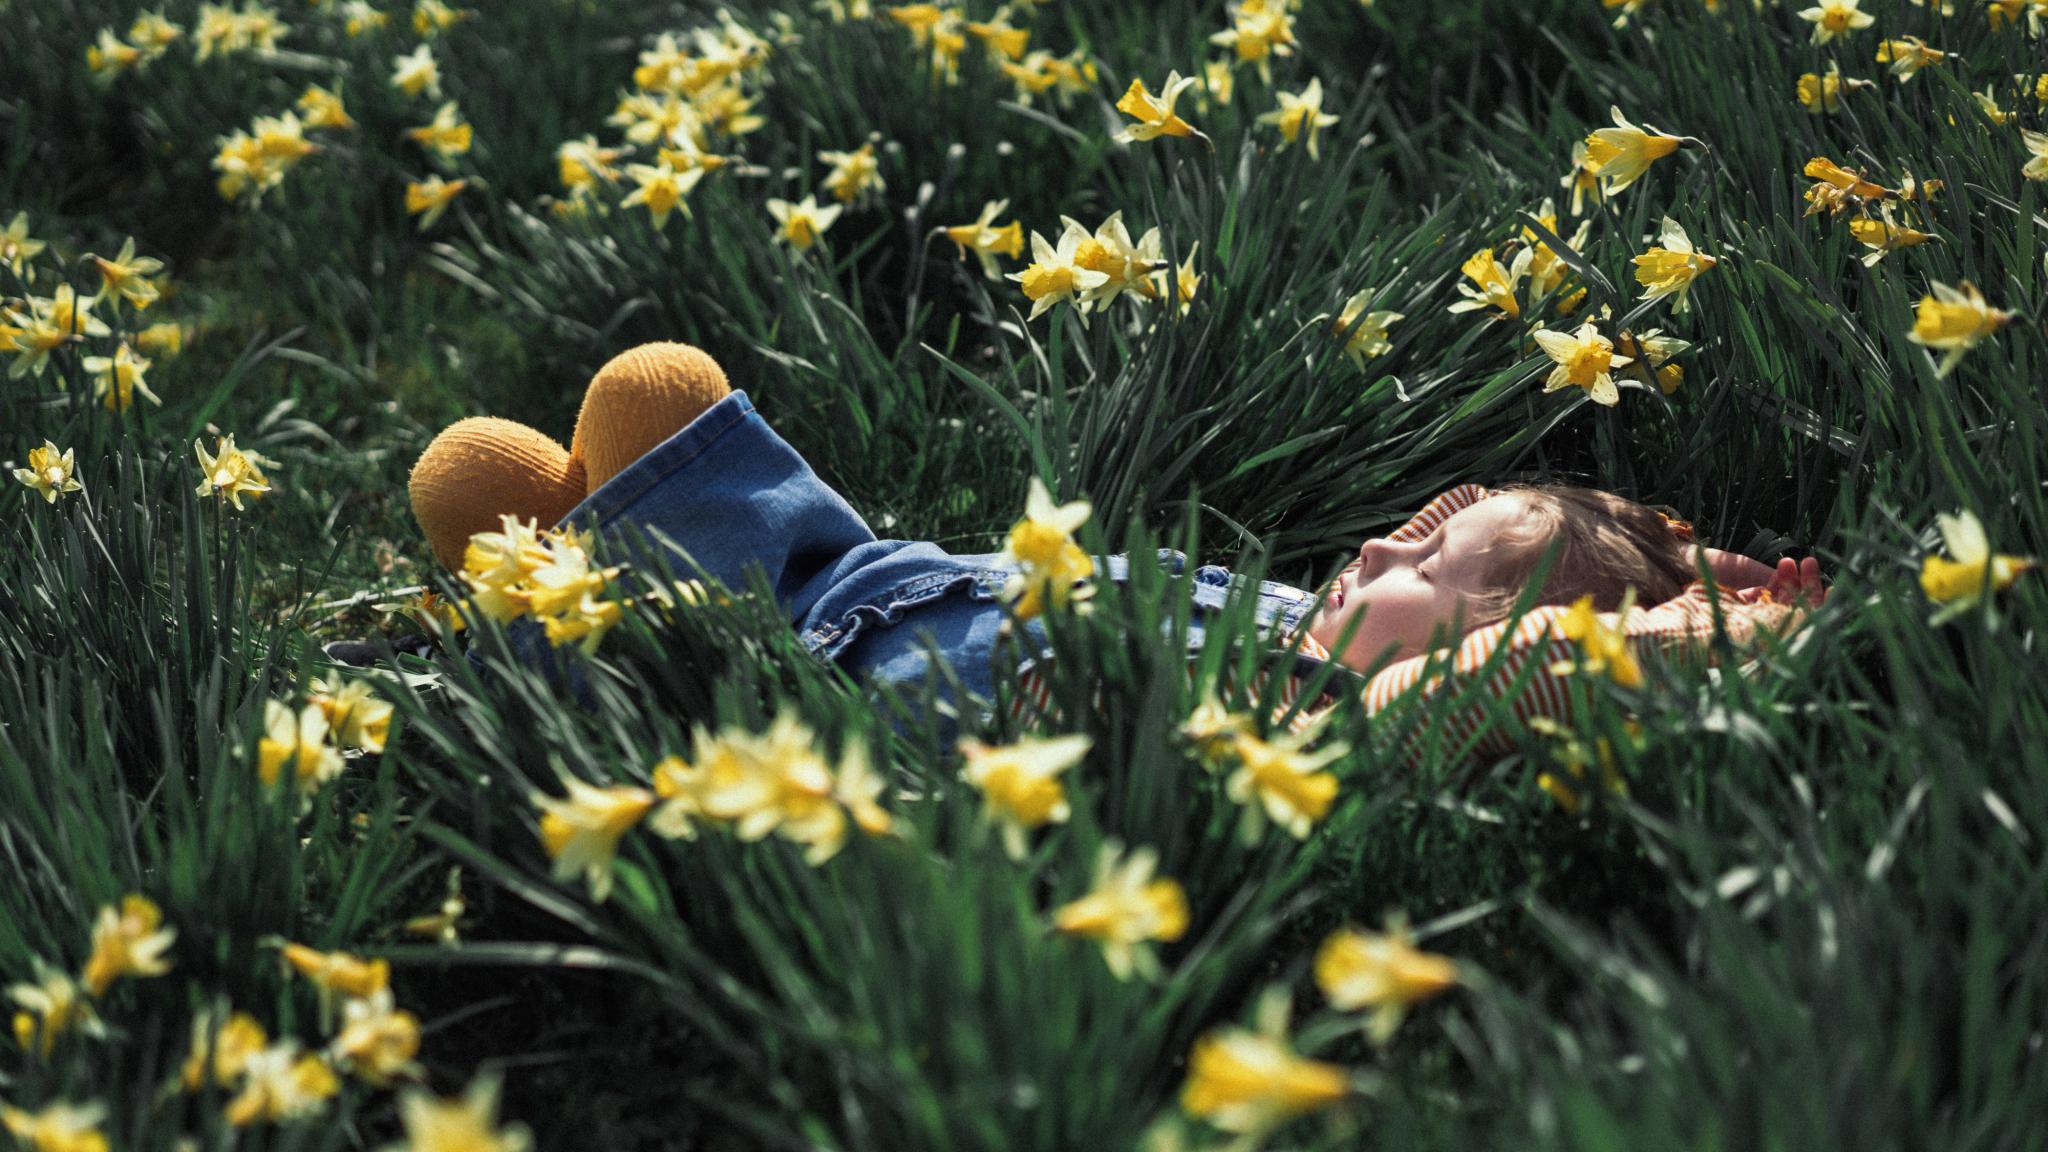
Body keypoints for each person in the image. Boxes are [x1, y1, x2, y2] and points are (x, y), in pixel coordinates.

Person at [402, 342, 1821, 758]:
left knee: (537, 573)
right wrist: (1625, 544)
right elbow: (1466, 534)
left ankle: (519, 611)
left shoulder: (1329, 726)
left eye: (1421, 571)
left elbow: (1541, 668)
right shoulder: (1304, 616)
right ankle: (552, 552)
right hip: (828, 568)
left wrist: (1741, 624)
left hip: (780, 696)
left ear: (1475, 644)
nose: (1383, 543)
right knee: (662, 390)